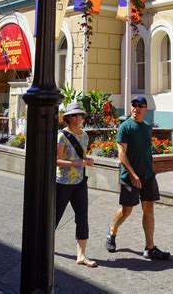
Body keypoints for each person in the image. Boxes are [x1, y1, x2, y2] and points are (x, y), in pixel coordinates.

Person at [105, 96, 170, 260]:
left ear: (145, 109)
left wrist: (149, 169)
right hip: (129, 177)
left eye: (140, 105)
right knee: (127, 211)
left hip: (147, 176)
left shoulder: (147, 127)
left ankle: (150, 247)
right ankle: (112, 231)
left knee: (149, 207)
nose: (136, 108)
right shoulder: (125, 127)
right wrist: (133, 175)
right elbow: (121, 153)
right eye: (134, 105)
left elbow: (145, 150)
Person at [56, 101, 98, 268]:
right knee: (55, 215)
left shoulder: (85, 136)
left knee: (82, 217)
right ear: (68, 117)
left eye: (80, 114)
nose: (78, 117)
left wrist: (88, 161)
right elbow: (56, 161)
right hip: (63, 183)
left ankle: (81, 255)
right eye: (74, 115)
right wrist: (77, 162)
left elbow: (82, 158)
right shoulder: (62, 136)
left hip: (80, 182)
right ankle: (42, 246)